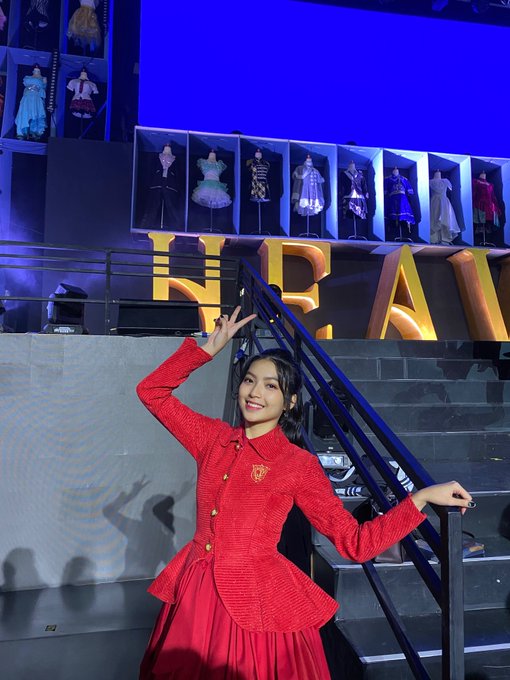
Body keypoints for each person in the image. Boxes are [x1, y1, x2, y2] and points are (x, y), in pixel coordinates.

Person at [136, 307, 474, 680]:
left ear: (290, 401)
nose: (255, 393)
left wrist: (419, 500)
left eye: (271, 386)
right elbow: (151, 392)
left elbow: (355, 543)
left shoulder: (297, 465)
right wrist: (206, 350)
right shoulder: (212, 438)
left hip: (257, 605)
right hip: (195, 595)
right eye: (249, 380)